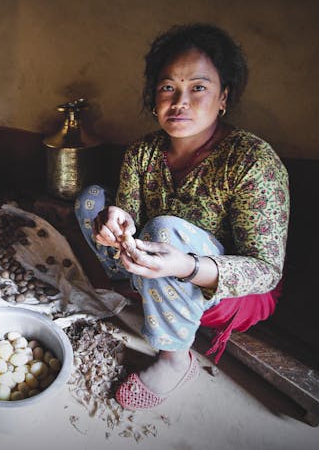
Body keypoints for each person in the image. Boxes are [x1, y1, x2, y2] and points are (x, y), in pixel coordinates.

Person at [75, 24, 289, 409]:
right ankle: (141, 286)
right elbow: (129, 214)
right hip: (158, 265)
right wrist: (115, 222)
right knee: (92, 201)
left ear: (223, 97)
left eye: (199, 87)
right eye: (168, 87)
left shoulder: (252, 161)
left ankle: (176, 358)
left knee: (163, 231)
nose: (180, 101)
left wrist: (188, 266)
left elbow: (267, 270)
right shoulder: (143, 152)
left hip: (225, 290)